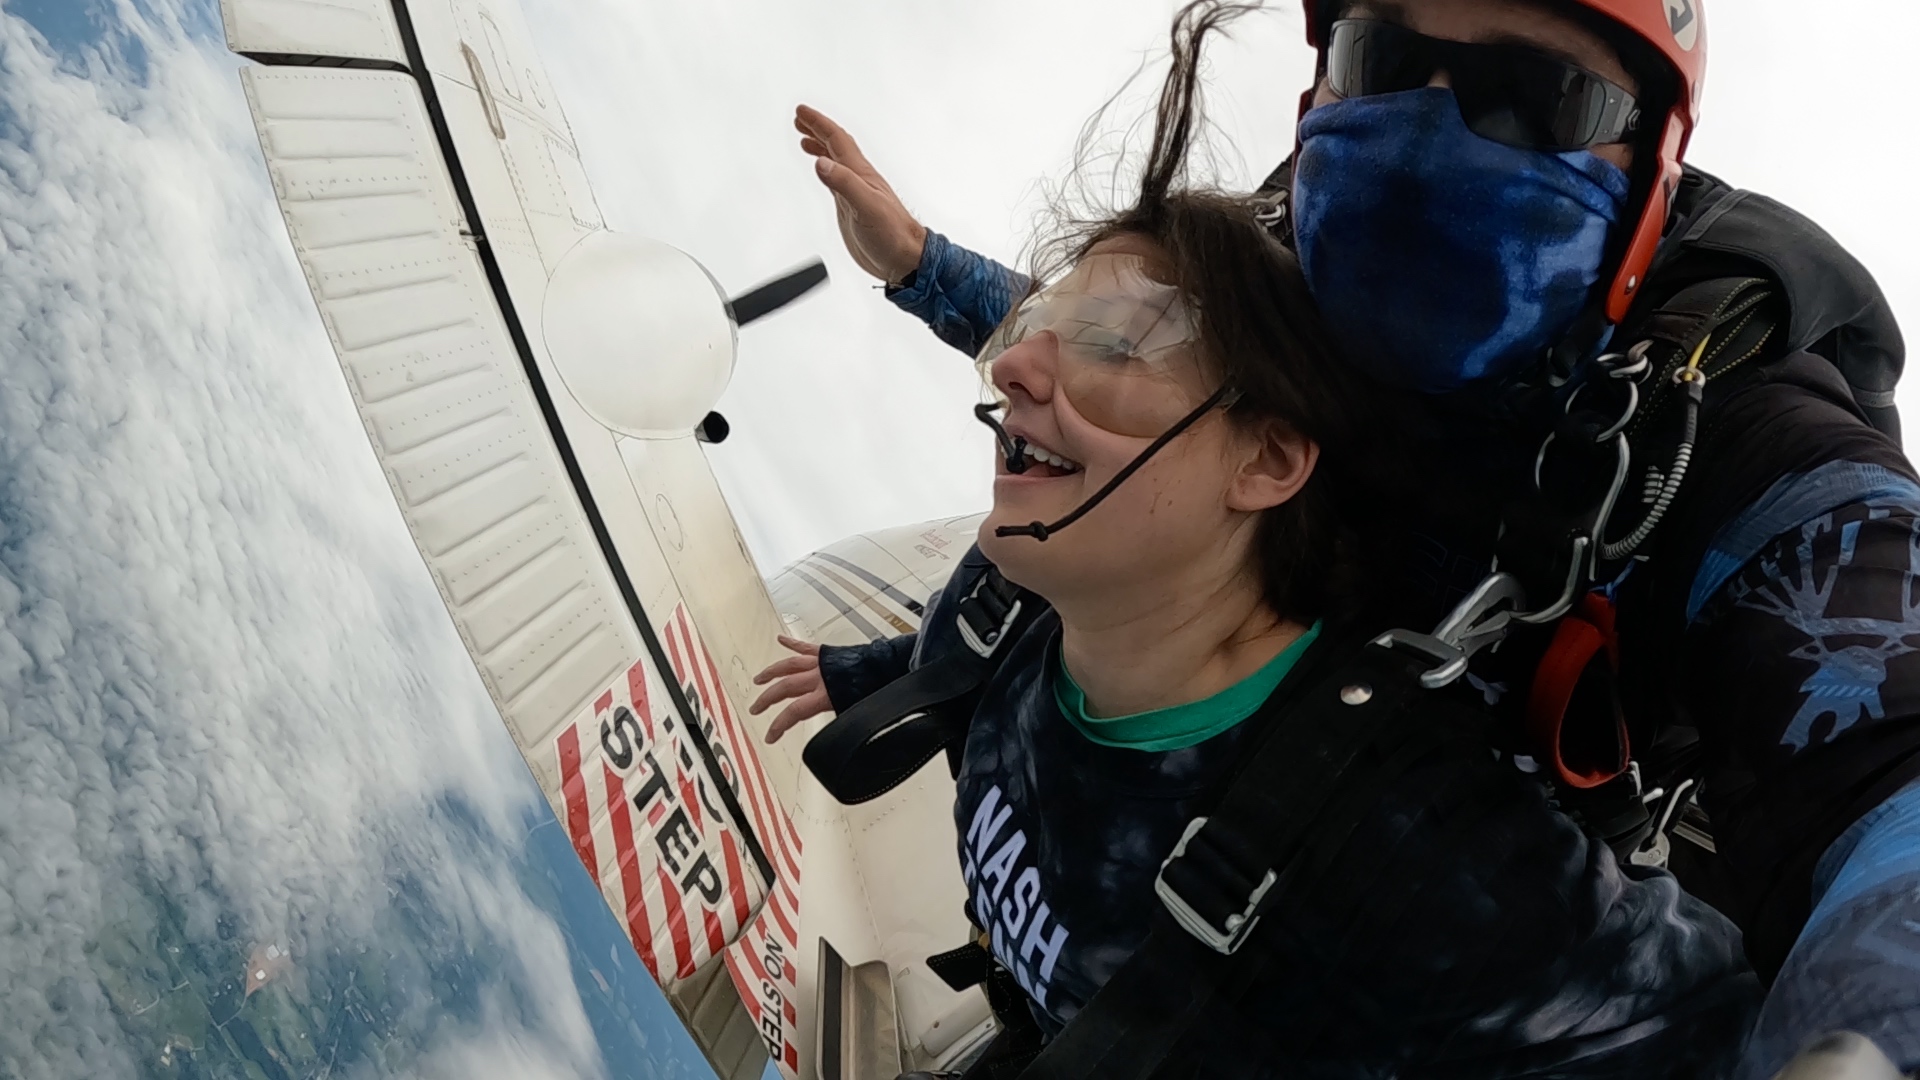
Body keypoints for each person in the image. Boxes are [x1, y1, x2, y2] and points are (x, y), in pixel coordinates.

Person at [760, 1, 1920, 1076]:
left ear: (1645, 164)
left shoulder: (1735, 437)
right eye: (1382, 58)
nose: (1426, 124)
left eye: (1533, 93)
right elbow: (1120, 372)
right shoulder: (1289, 277)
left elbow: (1895, 756)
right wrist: (921, 268)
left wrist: (1866, 1041)